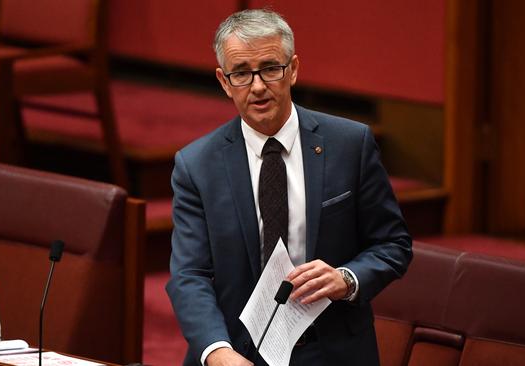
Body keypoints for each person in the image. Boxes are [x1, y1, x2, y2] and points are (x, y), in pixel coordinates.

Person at [166, 9, 412, 366]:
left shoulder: (349, 145)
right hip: (238, 352)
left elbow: (393, 244)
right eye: (241, 73)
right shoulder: (196, 165)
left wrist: (347, 278)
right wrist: (217, 352)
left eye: (270, 68)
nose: (258, 86)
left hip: (330, 349)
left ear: (293, 69)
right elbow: (190, 275)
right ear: (223, 81)